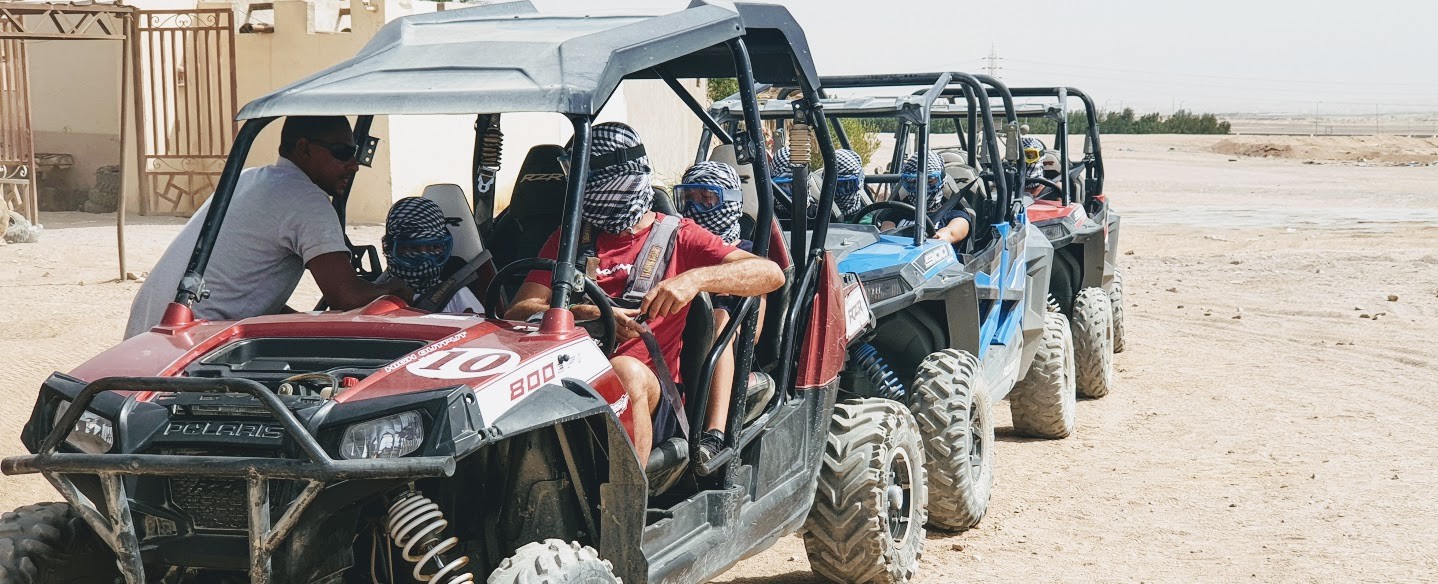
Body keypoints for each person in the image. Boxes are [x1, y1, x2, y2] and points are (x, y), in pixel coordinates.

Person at [505, 123, 784, 465]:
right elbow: (518, 311)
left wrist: (693, 280)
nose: (580, 189)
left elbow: (769, 274)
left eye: (588, 176)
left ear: (616, 176)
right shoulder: (569, 238)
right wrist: (587, 314)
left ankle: (625, 512)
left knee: (624, 370)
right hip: (567, 380)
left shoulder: (680, 235)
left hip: (653, 393)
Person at [125, 116, 411, 338]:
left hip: (150, 335)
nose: (353, 165)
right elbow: (347, 296)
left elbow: (243, 294)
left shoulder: (249, 179)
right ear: (304, 149)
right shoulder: (306, 199)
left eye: (356, 153)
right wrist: (400, 288)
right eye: (342, 152)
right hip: (191, 346)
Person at [674, 161, 770, 464]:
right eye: (689, 198)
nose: (697, 208)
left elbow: (754, 328)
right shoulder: (678, 243)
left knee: (718, 319)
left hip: (729, 344)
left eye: (707, 199)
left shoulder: (746, 255)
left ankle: (714, 434)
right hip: (676, 335)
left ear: (729, 202)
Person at [380, 197, 485, 313]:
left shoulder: (456, 296)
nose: (425, 259)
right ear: (390, 248)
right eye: (412, 248)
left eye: (434, 247)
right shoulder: (373, 296)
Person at [878, 151, 973, 246]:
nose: (921, 188)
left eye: (930, 182)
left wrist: (942, 235)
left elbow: (951, 233)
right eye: (913, 182)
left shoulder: (956, 215)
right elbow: (887, 233)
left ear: (942, 181)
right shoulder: (897, 212)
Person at [832, 148, 868, 218]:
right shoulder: (816, 214)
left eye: (849, 185)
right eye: (837, 186)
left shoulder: (868, 218)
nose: (842, 193)